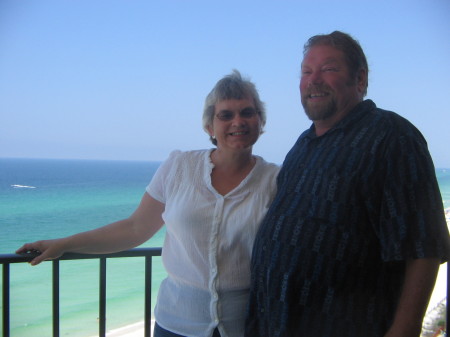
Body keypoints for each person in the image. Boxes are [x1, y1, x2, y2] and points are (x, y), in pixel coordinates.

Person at [16, 70, 280, 337]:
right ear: (210, 126)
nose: (238, 121)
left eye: (247, 112)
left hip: (245, 327)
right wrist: (63, 244)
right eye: (226, 114)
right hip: (175, 324)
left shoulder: (276, 180)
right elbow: (134, 228)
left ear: (260, 121)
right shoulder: (179, 167)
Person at [245, 31, 450, 337]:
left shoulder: (391, 136)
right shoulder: (303, 145)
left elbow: (423, 247)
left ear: (360, 79)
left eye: (328, 69)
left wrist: (404, 330)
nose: (313, 80)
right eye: (306, 71)